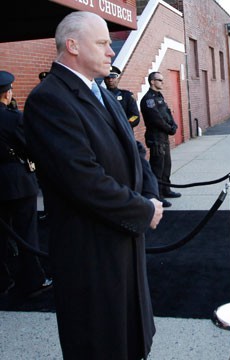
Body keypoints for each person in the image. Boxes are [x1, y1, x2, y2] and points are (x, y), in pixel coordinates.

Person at [23, 11, 164, 359]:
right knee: (101, 343)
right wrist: (143, 210)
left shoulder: (100, 91)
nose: (111, 51)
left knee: (131, 339)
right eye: (102, 43)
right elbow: (83, 179)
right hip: (91, 254)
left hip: (122, 243)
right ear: (72, 45)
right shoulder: (50, 99)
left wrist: (150, 193)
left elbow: (135, 150)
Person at [0, 70, 52, 298]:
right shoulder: (13, 119)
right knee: (26, 233)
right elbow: (30, 147)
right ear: (7, 93)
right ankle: (33, 279)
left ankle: (3, 280)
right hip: (18, 183)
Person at [140, 71, 181, 207]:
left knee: (166, 165)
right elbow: (155, 118)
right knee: (157, 167)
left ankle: (166, 190)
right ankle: (157, 195)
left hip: (163, 137)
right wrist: (169, 129)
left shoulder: (159, 96)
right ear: (152, 82)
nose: (162, 82)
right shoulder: (148, 99)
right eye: (160, 80)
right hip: (156, 138)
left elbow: (167, 113)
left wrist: (173, 124)